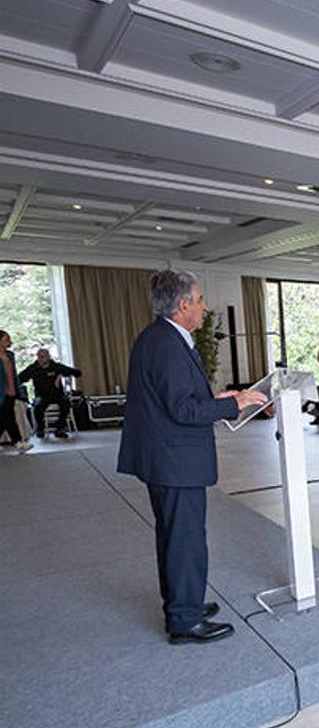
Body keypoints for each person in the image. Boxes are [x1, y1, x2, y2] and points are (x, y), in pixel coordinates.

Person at [117, 270, 267, 644]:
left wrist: (217, 399)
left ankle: (184, 603)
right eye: (200, 301)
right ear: (183, 305)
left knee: (176, 537)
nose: (204, 308)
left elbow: (178, 399)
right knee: (184, 540)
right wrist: (234, 403)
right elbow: (183, 410)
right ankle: (185, 620)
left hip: (168, 457)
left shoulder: (163, 337)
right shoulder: (166, 344)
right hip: (173, 460)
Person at [16, 347, 81, 439]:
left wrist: (61, 375)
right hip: (41, 395)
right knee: (38, 406)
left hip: (57, 395)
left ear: (49, 357)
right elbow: (19, 379)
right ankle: (41, 429)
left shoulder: (56, 366)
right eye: (40, 356)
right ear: (37, 357)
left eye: (45, 356)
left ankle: (60, 428)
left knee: (66, 404)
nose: (42, 359)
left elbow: (77, 373)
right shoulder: (33, 368)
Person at [0, 330, 32, 452]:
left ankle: (18, 442)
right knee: (9, 418)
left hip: (12, 391)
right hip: (1, 392)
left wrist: (19, 391)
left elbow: (14, 374)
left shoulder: (10, 355)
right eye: (6, 339)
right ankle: (18, 442)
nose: (9, 341)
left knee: (4, 419)